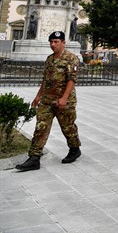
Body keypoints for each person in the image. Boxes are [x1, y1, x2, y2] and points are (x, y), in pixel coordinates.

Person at [16, 31, 82, 172]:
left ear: (63, 43)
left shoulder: (71, 58)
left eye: (56, 42)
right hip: (47, 100)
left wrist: (64, 98)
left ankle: (75, 149)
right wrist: (38, 96)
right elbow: (45, 80)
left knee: (68, 127)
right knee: (41, 127)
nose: (53, 45)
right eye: (51, 42)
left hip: (64, 101)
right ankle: (34, 158)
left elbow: (72, 79)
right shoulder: (49, 59)